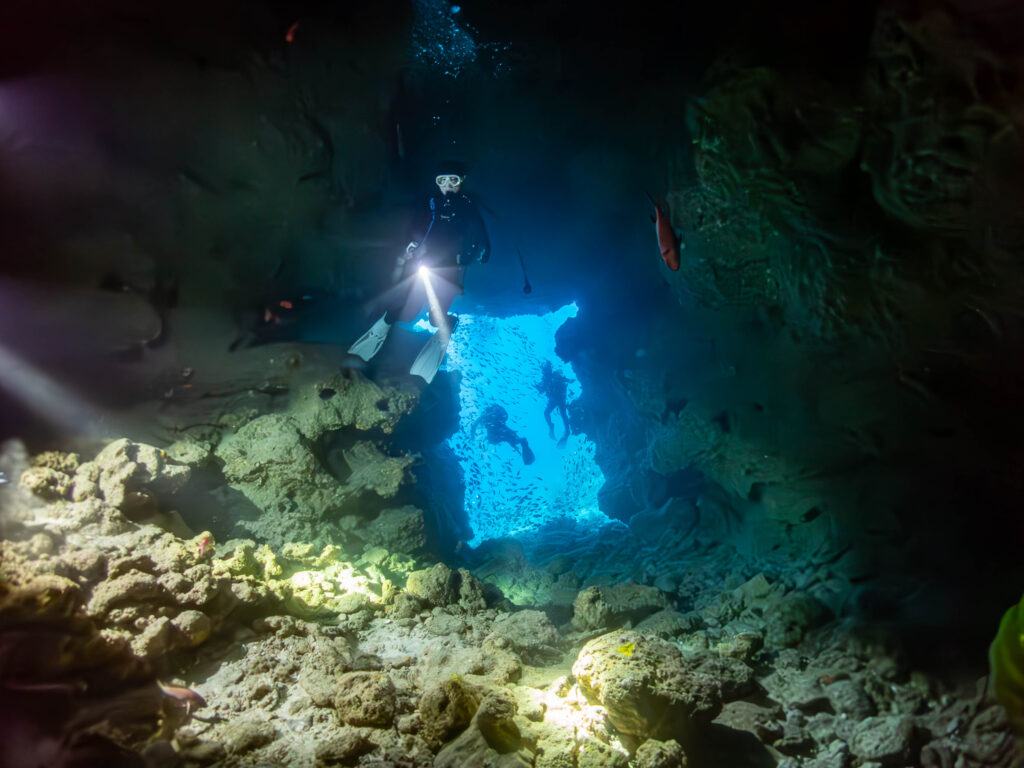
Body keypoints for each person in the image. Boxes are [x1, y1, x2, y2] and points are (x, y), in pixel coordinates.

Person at [347, 164, 490, 383]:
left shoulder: (466, 205)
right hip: (427, 264)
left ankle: (447, 325)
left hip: (450, 269)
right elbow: (416, 225)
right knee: (407, 314)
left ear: (461, 182)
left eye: (453, 180)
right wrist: (410, 244)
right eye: (442, 181)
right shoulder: (430, 203)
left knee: (436, 318)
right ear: (437, 183)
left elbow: (479, 229)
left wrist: (485, 248)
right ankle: (385, 323)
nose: (448, 186)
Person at [538, 361, 572, 447]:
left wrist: (569, 380)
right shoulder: (549, 378)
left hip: (557, 399)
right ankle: (564, 430)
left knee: (549, 413)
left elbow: (542, 390)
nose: (545, 372)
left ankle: (553, 427)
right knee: (562, 415)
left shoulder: (552, 376)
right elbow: (542, 390)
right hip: (559, 398)